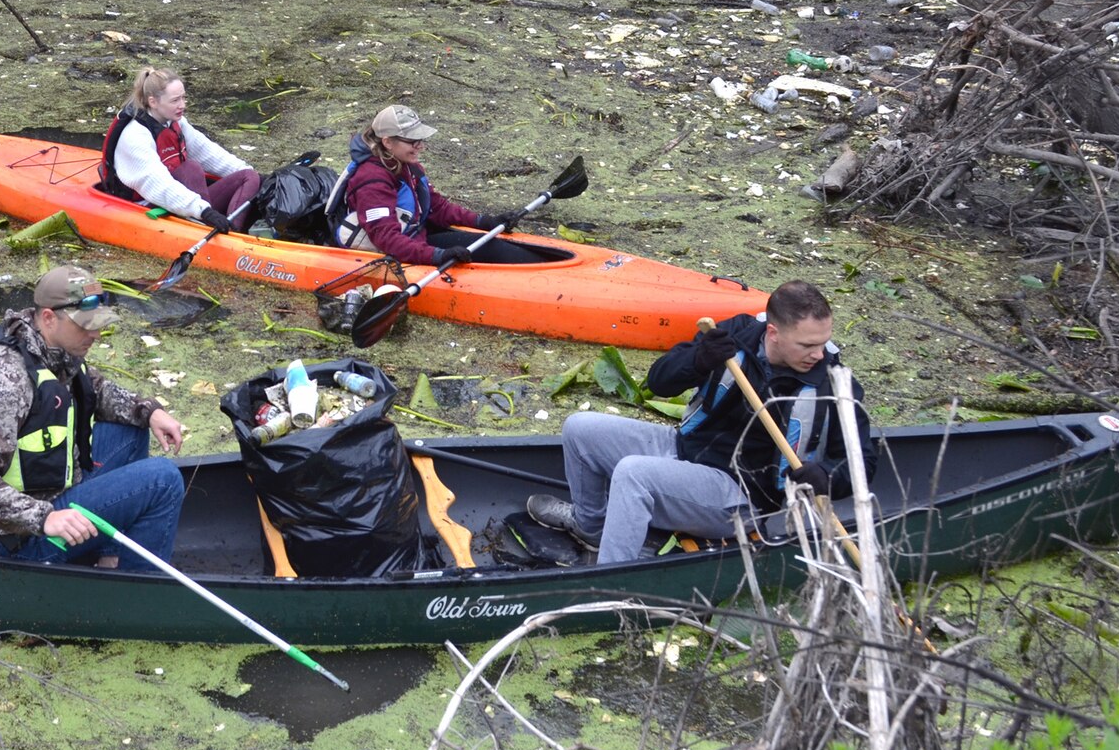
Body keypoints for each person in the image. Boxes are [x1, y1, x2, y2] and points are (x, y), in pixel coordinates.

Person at [526, 280, 875, 564]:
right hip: (683, 449)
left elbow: (862, 463)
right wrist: (698, 360)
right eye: (808, 345)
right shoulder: (736, 334)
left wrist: (827, 477)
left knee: (634, 473)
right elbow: (659, 381)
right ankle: (591, 530)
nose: (818, 354)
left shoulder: (835, 384)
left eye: (824, 343)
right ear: (773, 333)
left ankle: (608, 579)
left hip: (738, 495)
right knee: (580, 428)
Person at [0, 265, 186, 570]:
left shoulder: (53, 347)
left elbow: (93, 390)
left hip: (55, 494)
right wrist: (45, 517)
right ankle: (136, 596)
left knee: (133, 430)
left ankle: (110, 558)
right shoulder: (3, 380)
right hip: (21, 536)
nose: (96, 334)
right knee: (164, 480)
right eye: (85, 326)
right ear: (48, 317)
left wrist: (149, 411)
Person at [331, 105, 543, 265]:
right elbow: (385, 238)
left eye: (421, 140)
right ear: (387, 142)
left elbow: (437, 208)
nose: (420, 146)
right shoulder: (371, 180)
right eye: (413, 141)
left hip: (415, 236)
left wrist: (485, 221)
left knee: (498, 249)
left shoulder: (406, 165)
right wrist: (436, 256)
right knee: (495, 252)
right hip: (399, 247)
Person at [99, 67, 261, 232]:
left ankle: (234, 233)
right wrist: (203, 211)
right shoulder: (135, 135)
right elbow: (158, 184)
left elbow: (208, 152)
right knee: (191, 169)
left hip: (184, 200)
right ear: (153, 101)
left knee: (249, 176)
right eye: (175, 100)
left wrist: (258, 176)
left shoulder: (175, 122)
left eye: (184, 98)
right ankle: (216, 233)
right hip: (150, 202)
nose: (182, 105)